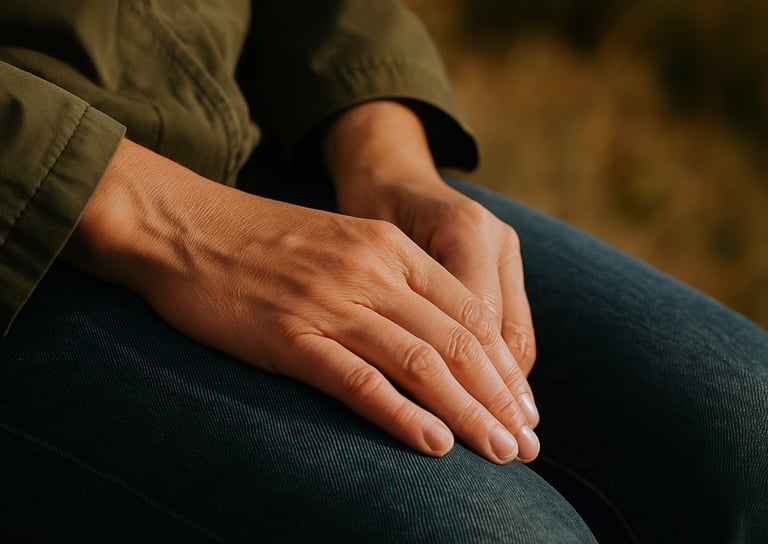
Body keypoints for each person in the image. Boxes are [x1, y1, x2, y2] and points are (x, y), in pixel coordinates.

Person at [0, 1, 765, 542]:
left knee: (747, 424)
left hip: (259, 137)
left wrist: (383, 149)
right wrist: (169, 221)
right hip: (32, 243)